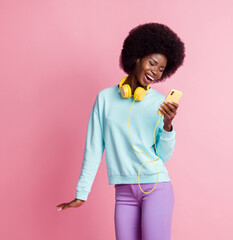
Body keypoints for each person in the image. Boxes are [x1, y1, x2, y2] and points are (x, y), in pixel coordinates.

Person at [56, 22, 185, 240]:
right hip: (124, 191)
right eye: (152, 63)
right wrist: (82, 192)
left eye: (161, 69)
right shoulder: (105, 99)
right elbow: (94, 148)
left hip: (156, 187)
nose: (155, 71)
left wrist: (168, 125)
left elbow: (164, 156)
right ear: (137, 58)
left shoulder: (160, 103)